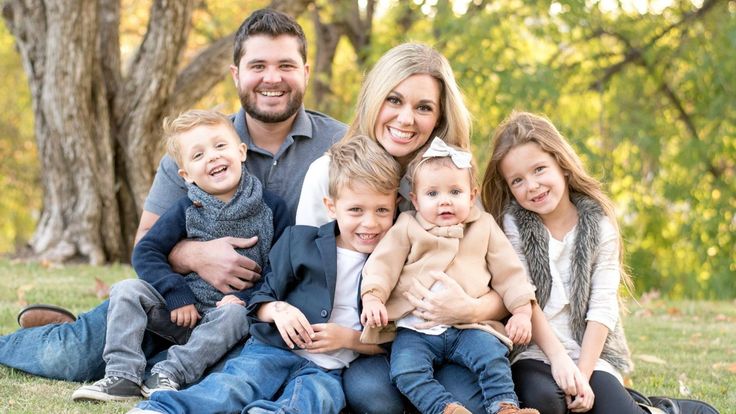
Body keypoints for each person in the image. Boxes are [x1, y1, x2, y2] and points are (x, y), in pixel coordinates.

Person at [0, 8, 344, 382]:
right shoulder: (197, 145)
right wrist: (197, 256)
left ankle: (109, 341)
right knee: (71, 358)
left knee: (217, 379)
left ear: (306, 72)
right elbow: (145, 244)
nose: (272, 78)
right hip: (178, 302)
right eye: (258, 65)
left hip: (255, 314)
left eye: (287, 65)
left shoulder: (340, 145)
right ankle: (62, 334)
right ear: (236, 75)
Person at [295, 42, 510, 414]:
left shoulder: (453, 183)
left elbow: (502, 285)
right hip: (371, 341)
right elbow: (303, 275)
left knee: (468, 394)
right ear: (374, 98)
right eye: (394, 100)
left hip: (454, 333)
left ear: (440, 116)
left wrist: (471, 309)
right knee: (375, 394)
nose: (406, 119)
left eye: (423, 107)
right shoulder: (329, 175)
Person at [129, 135, 401, 413]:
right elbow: (262, 293)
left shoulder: (395, 264)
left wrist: (349, 340)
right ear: (331, 207)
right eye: (355, 210)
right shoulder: (300, 242)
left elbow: (396, 339)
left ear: (396, 207)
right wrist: (277, 309)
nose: (370, 222)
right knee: (234, 386)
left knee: (316, 399)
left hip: (327, 369)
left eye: (382, 210)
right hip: (272, 349)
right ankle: (164, 409)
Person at [71, 110, 289, 402]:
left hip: (227, 318)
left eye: (220, 146)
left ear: (241, 152)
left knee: (236, 314)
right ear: (185, 174)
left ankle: (169, 373)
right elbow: (146, 251)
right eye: (198, 155)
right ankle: (122, 375)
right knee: (126, 289)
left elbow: (281, 268)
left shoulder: (272, 209)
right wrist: (177, 295)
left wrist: (249, 299)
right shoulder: (186, 208)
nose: (212, 157)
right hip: (179, 311)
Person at [481, 111, 686, 414]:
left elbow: (603, 309)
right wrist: (560, 360)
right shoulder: (513, 224)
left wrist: (583, 375)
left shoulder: (599, 225)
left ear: (562, 166)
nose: (532, 186)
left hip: (592, 353)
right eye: (517, 180)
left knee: (612, 409)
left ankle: (651, 409)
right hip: (535, 351)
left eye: (539, 169)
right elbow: (523, 295)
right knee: (546, 401)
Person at [359, 137, 539, 414]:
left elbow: (510, 273)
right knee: (405, 371)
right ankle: (444, 408)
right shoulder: (407, 226)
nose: (444, 202)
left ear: (472, 195)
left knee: (492, 357)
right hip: (415, 328)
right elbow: (382, 265)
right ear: (415, 201)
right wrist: (373, 297)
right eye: (432, 194)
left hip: (468, 327)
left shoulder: (484, 227)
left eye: (455, 192)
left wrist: (522, 311)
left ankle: (505, 407)